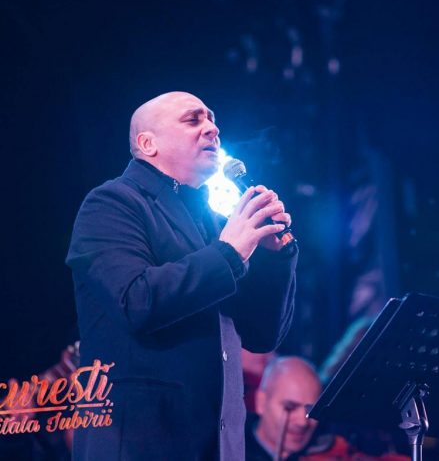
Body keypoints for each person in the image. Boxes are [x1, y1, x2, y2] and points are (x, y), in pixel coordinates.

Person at [66, 91, 297, 460]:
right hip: (143, 444)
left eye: (212, 120)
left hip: (218, 446)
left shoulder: (214, 222)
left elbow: (260, 336)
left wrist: (274, 258)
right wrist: (229, 253)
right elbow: (135, 302)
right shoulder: (112, 203)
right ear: (148, 144)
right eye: (193, 119)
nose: (212, 129)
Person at [246, 356, 408, 461]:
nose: (303, 421)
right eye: (290, 407)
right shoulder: (235, 451)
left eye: (311, 410)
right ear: (261, 402)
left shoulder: (334, 444)